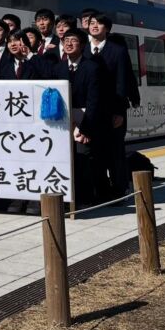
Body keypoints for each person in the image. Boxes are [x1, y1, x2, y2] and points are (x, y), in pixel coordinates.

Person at [50, 28, 112, 204]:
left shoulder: (92, 68)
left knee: (84, 160)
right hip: (63, 122)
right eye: (65, 40)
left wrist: (85, 128)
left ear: (83, 44)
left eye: (73, 40)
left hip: (86, 122)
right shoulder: (58, 68)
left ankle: (87, 198)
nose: (68, 43)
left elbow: (95, 101)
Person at [85, 13, 134, 197]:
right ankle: (100, 190)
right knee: (94, 151)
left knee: (114, 151)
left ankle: (119, 189)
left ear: (107, 28)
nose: (94, 26)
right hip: (92, 110)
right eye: (91, 23)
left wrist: (119, 111)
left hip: (112, 109)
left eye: (99, 23)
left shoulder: (117, 50)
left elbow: (122, 82)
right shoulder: (84, 49)